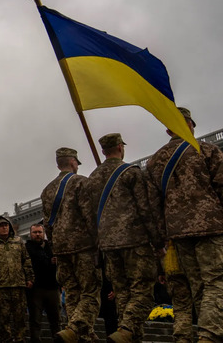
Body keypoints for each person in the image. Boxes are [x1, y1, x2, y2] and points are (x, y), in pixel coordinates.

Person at [145, 107, 222, 342]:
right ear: (191, 125)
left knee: (198, 285)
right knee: (217, 281)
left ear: (168, 129)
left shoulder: (154, 162)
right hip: (211, 226)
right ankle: (209, 336)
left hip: (177, 233)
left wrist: (161, 240)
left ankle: (205, 334)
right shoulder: (207, 150)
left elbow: (153, 206)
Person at [87, 133, 163, 342]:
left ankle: (129, 336)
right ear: (120, 147)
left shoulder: (92, 178)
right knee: (143, 291)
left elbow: (89, 215)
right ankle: (128, 329)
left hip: (108, 245)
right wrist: (158, 242)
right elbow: (145, 208)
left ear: (103, 151)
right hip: (134, 240)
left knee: (122, 294)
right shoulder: (131, 172)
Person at [40, 147, 99, 343]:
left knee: (72, 292)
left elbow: (47, 223)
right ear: (73, 162)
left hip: (61, 248)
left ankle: (83, 334)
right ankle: (75, 328)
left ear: (58, 164)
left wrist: (55, 246)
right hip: (83, 246)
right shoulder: (81, 182)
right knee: (90, 291)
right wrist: (97, 239)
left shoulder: (47, 190)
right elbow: (89, 215)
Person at [0, 216, 34, 343]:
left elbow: (26, 260)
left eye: (6, 225)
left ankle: (20, 339)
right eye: (1, 225)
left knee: (20, 317)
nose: (4, 227)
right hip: (1, 286)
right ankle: (7, 340)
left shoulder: (18, 241)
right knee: (4, 318)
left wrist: (29, 278)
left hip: (19, 285)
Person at [25, 224, 61, 342]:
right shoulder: (27, 247)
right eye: (35, 232)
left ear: (43, 233)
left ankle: (57, 339)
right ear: (30, 234)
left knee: (56, 319)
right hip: (36, 289)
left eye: (39, 232)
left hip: (53, 287)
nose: (37, 234)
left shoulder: (51, 247)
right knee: (35, 319)